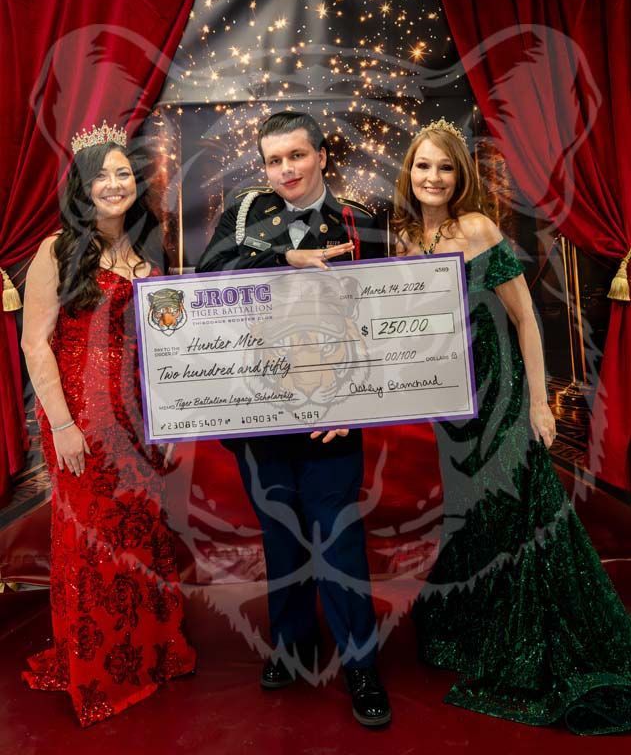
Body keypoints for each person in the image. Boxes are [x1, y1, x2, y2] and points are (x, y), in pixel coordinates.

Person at [394, 118, 631, 734]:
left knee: (518, 510)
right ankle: (486, 631)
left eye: (444, 167)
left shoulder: (477, 229)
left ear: (460, 175)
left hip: (499, 393)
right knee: (475, 514)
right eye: (423, 166)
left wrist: (538, 404)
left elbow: (526, 320)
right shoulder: (404, 240)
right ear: (409, 172)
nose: (433, 178)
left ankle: (531, 640)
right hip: (452, 404)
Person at [197, 111, 390, 727]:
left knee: (337, 535)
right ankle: (293, 641)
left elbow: (384, 320)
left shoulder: (364, 220)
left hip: (335, 409)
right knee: (280, 534)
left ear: (322, 156)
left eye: (297, 156)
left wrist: (354, 402)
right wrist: (284, 260)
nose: (286, 170)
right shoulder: (244, 215)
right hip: (259, 408)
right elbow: (209, 282)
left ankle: (360, 662)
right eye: (275, 160)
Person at [21, 122, 196, 726]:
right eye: (102, 174)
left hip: (138, 417)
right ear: (81, 185)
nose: (114, 184)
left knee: (140, 532)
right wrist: (63, 426)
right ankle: (100, 667)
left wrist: (172, 416)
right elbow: (35, 345)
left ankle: (147, 651)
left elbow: (170, 345)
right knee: (91, 540)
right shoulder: (57, 249)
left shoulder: (152, 248)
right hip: (80, 419)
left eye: (124, 173)